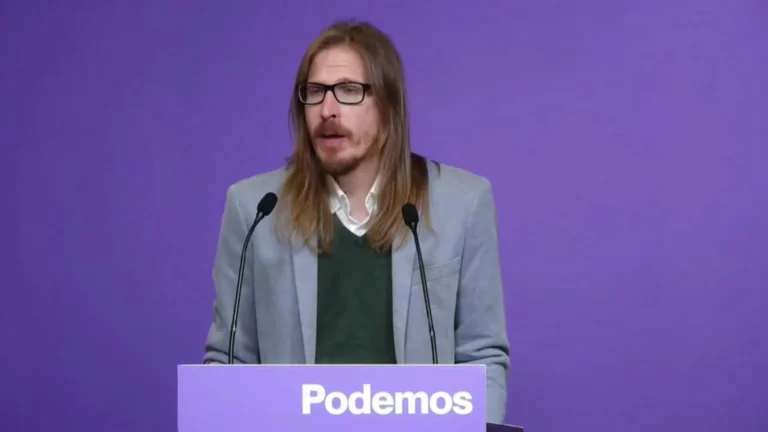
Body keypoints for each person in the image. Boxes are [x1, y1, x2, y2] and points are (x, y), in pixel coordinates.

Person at [203, 20, 510, 423]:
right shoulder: (255, 208)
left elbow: (482, 358)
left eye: (349, 91)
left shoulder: (463, 202)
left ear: (388, 107)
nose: (327, 110)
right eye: (315, 93)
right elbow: (228, 362)